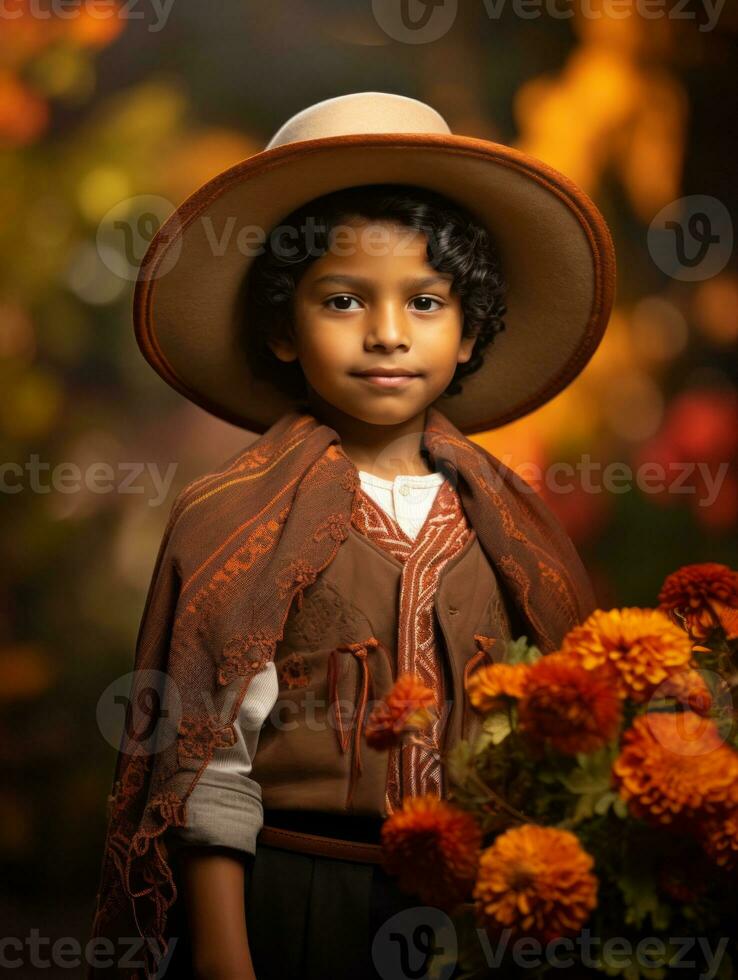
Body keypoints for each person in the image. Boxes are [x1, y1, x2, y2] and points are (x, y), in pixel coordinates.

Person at [87, 92, 616, 980]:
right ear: (282, 330)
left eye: (425, 301)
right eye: (342, 300)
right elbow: (208, 775)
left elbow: (569, 747)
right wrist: (226, 958)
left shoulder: (512, 525)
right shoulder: (236, 522)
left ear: (471, 328)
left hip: (479, 917)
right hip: (296, 902)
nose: (386, 334)